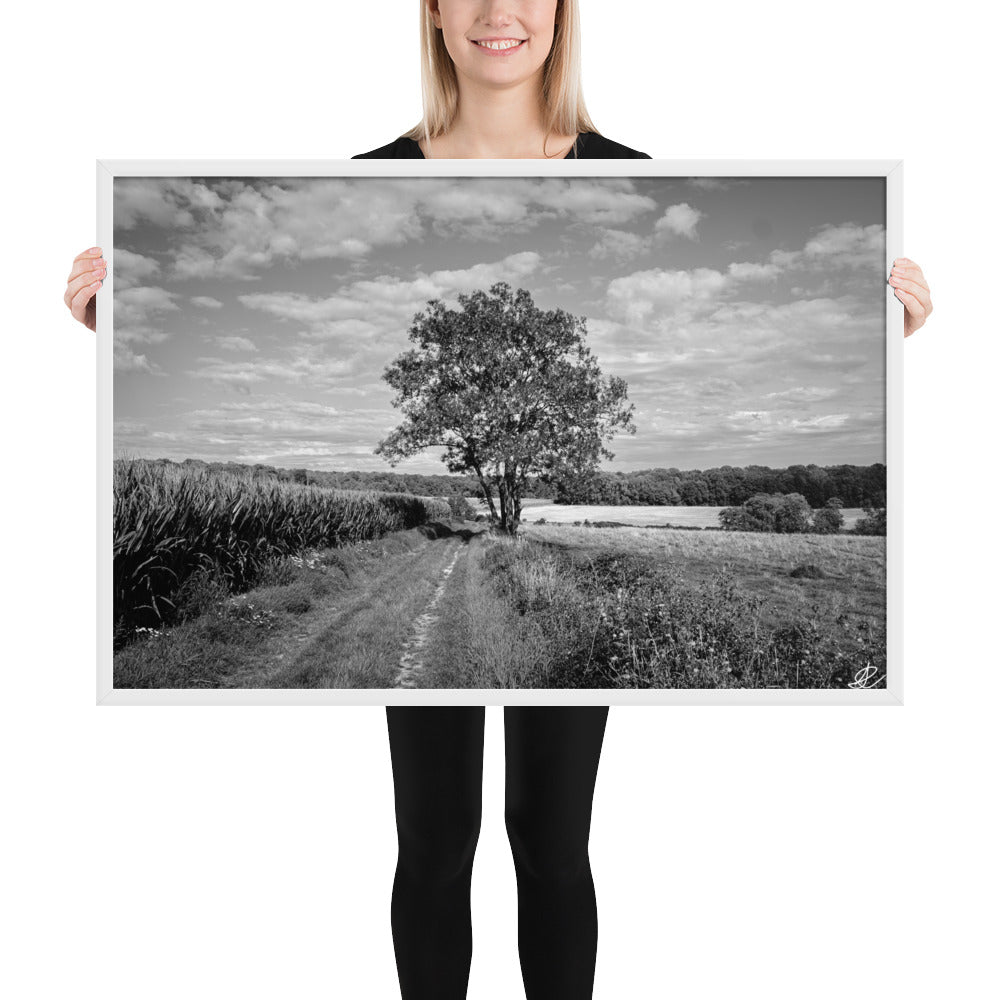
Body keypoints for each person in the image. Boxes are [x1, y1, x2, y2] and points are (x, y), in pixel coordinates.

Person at [64, 2, 933, 998]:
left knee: (552, 842)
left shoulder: (625, 168)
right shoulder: (367, 178)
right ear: (429, 14)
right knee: (435, 842)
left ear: (565, 13)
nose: (496, 11)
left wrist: (886, 355)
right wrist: (105, 332)